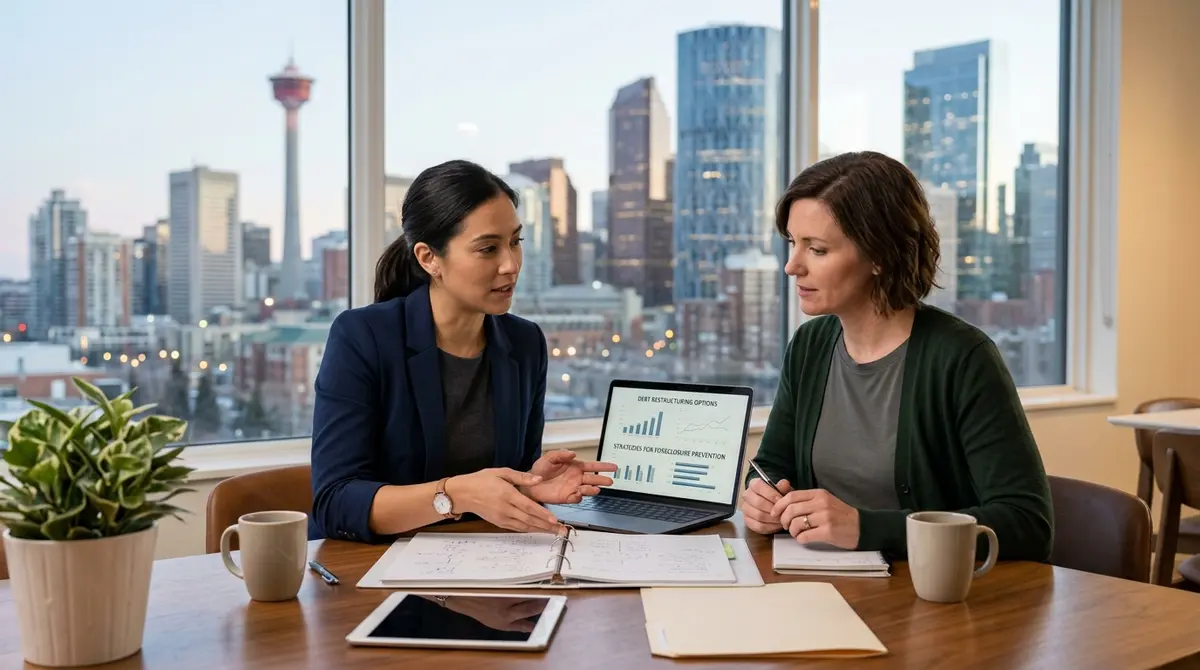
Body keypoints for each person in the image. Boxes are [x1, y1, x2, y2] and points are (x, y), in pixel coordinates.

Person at [743, 151, 1053, 561]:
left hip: (927, 593)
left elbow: (1027, 523)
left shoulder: (962, 358)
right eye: (792, 243)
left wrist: (865, 528)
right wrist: (761, 496)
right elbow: (771, 465)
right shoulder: (809, 346)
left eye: (816, 249)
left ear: (879, 256)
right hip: (822, 583)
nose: (791, 266)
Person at [310, 159, 616, 543]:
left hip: (482, 559)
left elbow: (499, 485)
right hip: (371, 565)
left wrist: (529, 485)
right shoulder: (362, 336)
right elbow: (335, 502)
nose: (511, 265)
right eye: (488, 248)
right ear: (429, 258)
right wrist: (455, 494)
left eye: (515, 242)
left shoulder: (525, 344)